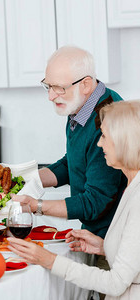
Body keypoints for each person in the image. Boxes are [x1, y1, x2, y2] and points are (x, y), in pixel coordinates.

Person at [8, 100, 140, 299]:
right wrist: (103, 246)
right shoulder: (131, 185)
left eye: (104, 136)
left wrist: (50, 260)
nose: (99, 143)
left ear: (124, 141)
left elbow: (115, 283)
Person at [12, 46, 126, 238]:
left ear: (86, 84)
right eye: (48, 86)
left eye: (59, 88)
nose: (50, 96)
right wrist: (24, 178)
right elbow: (74, 162)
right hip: (93, 233)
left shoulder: (108, 120)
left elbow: (95, 201)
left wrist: (36, 206)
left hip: (111, 239)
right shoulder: (79, 106)